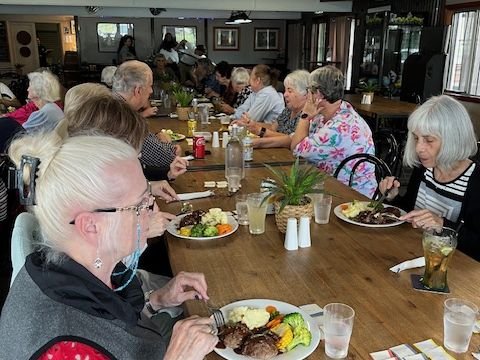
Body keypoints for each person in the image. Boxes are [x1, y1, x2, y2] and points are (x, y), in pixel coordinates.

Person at [0, 131, 218, 359]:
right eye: (140, 205)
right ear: (91, 225)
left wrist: (157, 301)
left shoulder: (75, 267)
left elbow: (107, 328)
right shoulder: (61, 346)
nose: (152, 210)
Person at [379, 95, 480, 261]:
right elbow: (410, 213)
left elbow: (476, 246)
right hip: (412, 254)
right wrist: (393, 197)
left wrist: (443, 225)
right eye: (416, 138)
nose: (419, 148)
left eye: (429, 140)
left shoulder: (475, 181)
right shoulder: (425, 168)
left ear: (453, 139)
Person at [291, 65, 377, 198]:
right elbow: (298, 138)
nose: (307, 94)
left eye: (308, 90)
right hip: (330, 184)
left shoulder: (340, 127)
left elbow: (297, 149)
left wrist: (305, 116)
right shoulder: (329, 113)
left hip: (353, 197)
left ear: (318, 93)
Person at [111, 61, 187, 179]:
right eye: (150, 86)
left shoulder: (108, 104)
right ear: (138, 90)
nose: (151, 91)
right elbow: (167, 157)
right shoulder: (124, 116)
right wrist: (170, 145)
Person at [233, 70, 310, 149]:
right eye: (285, 90)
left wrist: (260, 131)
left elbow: (292, 140)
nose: (285, 94)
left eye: (290, 91)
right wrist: (252, 124)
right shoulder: (289, 109)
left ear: (306, 94)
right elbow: (273, 127)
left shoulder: (307, 115)